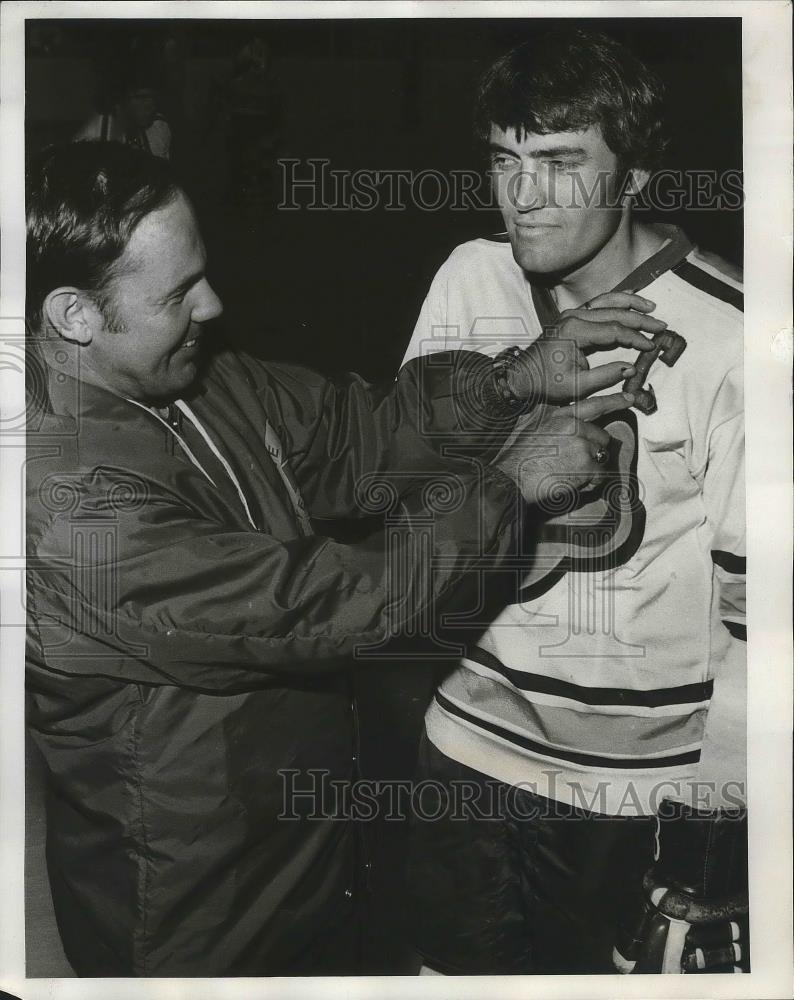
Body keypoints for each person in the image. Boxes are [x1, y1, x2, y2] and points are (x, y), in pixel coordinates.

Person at [24, 140, 650, 977]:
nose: (211, 306)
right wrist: (507, 486)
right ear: (74, 316)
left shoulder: (185, 378)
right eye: (177, 293)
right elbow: (326, 606)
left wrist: (511, 383)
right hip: (196, 913)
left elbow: (355, 435)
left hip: (296, 855)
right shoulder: (66, 514)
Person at [401, 28, 747, 975]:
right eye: (506, 162)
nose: (524, 196)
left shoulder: (735, 337)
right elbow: (407, 496)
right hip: (467, 736)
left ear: (635, 176)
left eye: (560, 163)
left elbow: (761, 618)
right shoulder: (470, 277)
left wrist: (713, 833)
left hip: (635, 788)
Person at [74, 58, 171, 159]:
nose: (150, 104)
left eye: (153, 97)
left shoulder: (159, 127)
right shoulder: (93, 136)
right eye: (140, 97)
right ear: (120, 100)